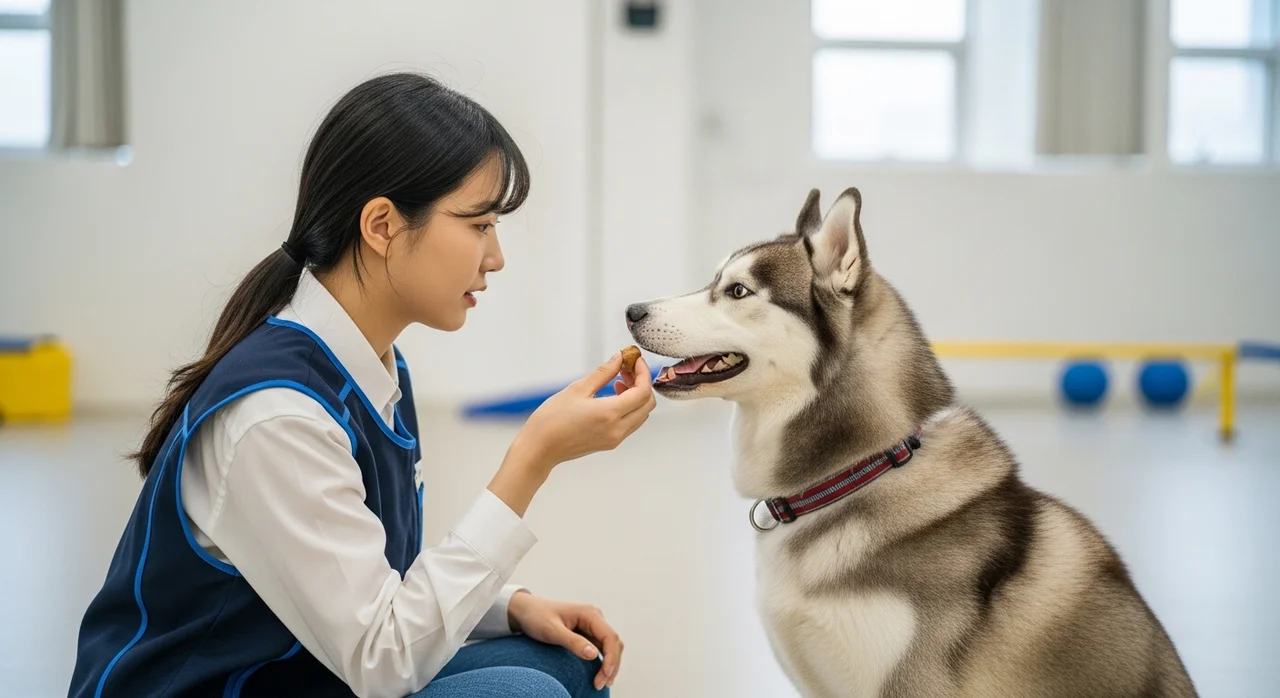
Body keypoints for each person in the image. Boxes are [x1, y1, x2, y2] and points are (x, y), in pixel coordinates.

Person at [68, 72, 656, 698]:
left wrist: (509, 606)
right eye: (479, 225)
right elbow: (382, 662)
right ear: (381, 225)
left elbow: (364, 588)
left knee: (566, 665)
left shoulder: (373, 365)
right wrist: (532, 458)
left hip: (296, 676)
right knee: (527, 693)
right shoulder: (278, 417)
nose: (496, 257)